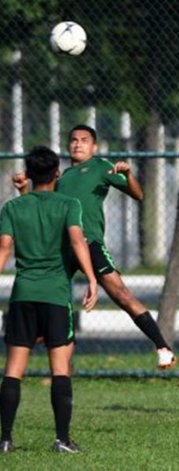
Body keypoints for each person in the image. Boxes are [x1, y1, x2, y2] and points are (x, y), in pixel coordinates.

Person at [14, 125, 176, 369]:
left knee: (121, 294)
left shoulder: (101, 167)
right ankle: (60, 372)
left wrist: (129, 175)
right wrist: (23, 189)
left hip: (89, 244)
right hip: (62, 248)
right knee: (46, 299)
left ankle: (163, 348)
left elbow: (139, 195)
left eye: (84, 140)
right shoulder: (62, 177)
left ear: (94, 147)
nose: (77, 144)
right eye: (73, 140)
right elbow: (38, 207)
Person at [0, 146, 98, 453]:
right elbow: (77, 240)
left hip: (23, 295)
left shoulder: (12, 208)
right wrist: (92, 278)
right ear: (57, 174)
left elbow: (3, 249)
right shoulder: (69, 204)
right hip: (55, 295)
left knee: (13, 369)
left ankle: (5, 439)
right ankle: (62, 439)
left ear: (27, 175)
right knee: (60, 368)